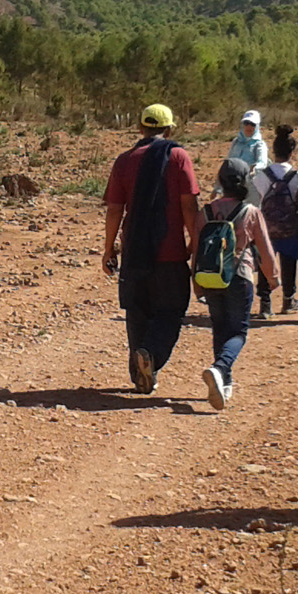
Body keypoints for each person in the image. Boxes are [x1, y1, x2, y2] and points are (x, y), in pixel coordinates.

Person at [101, 103, 202, 394]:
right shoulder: (178, 156)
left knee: (137, 311)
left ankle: (140, 371)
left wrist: (109, 249)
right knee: (170, 310)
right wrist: (193, 244)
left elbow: (114, 210)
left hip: (134, 250)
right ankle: (151, 355)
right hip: (169, 251)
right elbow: (189, 205)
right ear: (169, 129)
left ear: (141, 129)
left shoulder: (124, 160)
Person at [194, 159, 279, 410]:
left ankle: (224, 382)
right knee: (239, 332)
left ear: (220, 181)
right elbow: (264, 248)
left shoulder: (205, 212)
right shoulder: (250, 212)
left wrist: (196, 284)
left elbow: (197, 252)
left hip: (210, 278)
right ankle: (220, 369)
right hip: (239, 277)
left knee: (219, 328)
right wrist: (273, 279)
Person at [251, 124, 298, 318]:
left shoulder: (262, 176)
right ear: (292, 151)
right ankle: (288, 300)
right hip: (290, 227)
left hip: (267, 227)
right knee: (289, 261)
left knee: (265, 262)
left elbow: (260, 198)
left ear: (273, 150)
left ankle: (265, 305)